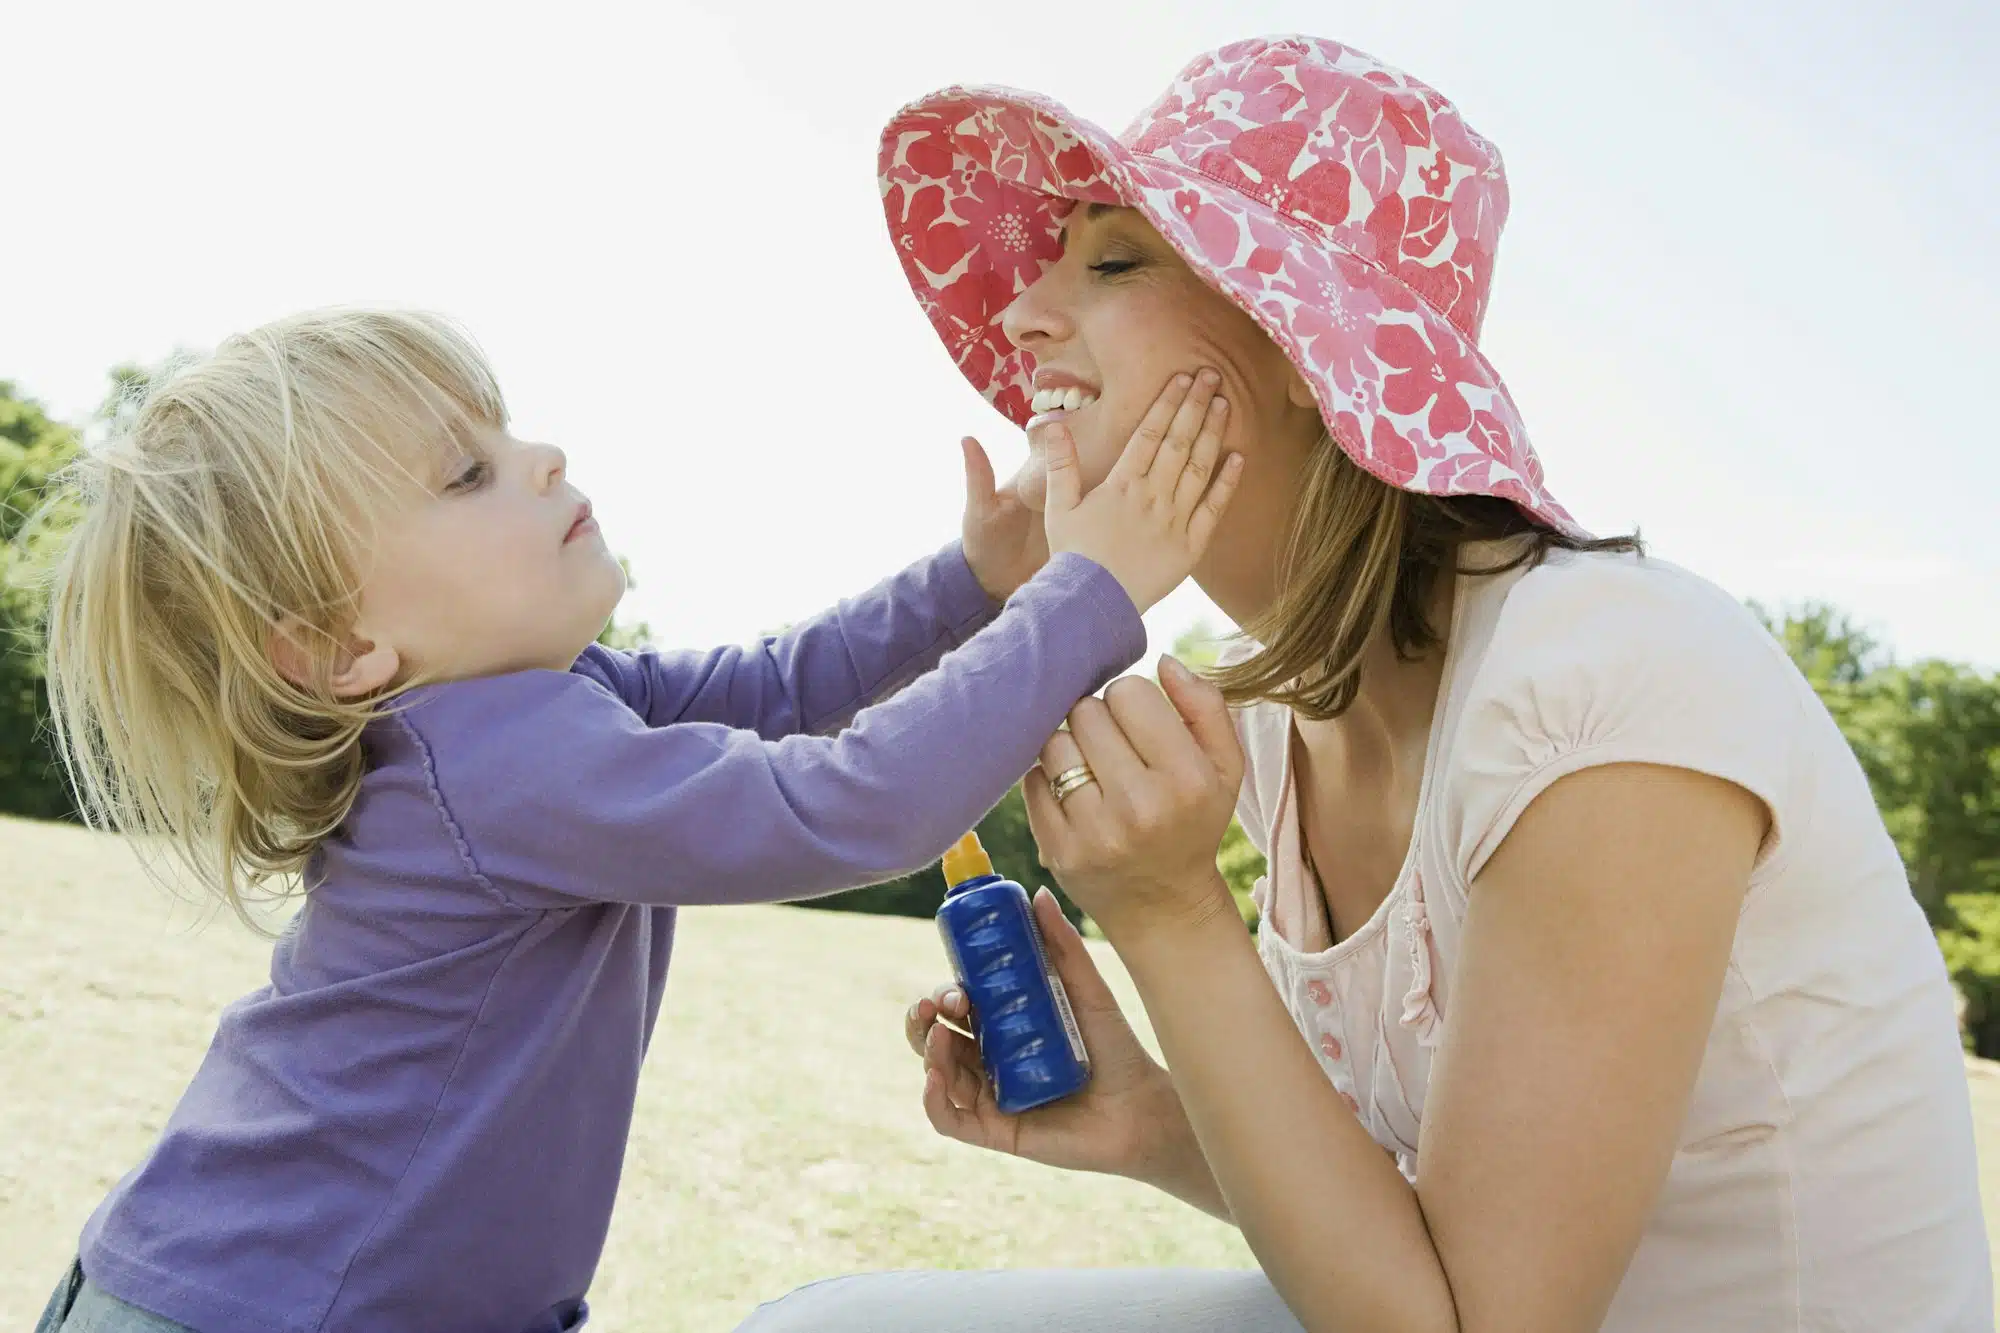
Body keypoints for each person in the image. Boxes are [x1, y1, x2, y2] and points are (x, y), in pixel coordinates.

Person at [738, 34, 1993, 1333]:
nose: (1019, 318)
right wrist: (1156, 1122)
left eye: (1113, 259)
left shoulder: (1604, 684)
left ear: (1299, 344)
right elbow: (1416, 1236)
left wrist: (1169, 914)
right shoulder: (1280, 712)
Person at [28, 306, 1243, 1333]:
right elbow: (857, 802)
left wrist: (976, 577)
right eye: (467, 473)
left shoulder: (549, 711)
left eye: (505, 432)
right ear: (341, 649)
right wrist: (1090, 590)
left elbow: (785, 686)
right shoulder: (501, 765)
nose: (543, 456)